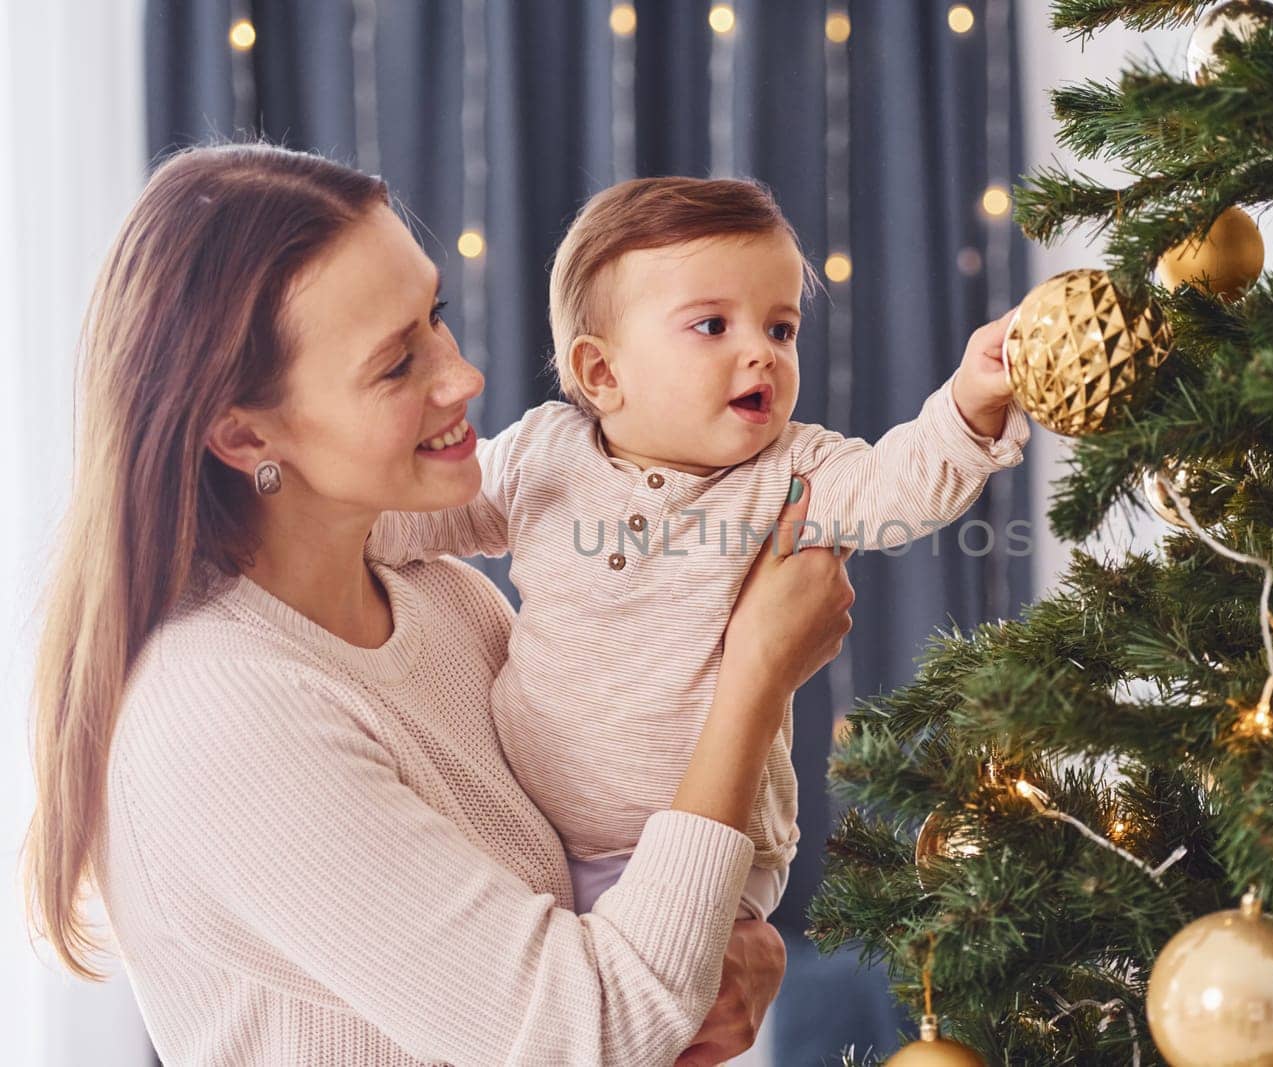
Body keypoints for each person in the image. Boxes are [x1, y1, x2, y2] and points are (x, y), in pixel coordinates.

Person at [21, 144, 855, 1066]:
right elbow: (595, 1029)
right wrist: (754, 676)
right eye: (394, 365)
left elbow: (619, 943)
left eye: (436, 317)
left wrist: (730, 954)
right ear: (244, 434)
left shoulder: (438, 597)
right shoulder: (221, 710)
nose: (461, 377)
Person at [369, 176, 1029, 920]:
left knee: (663, 1015)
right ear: (602, 372)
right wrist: (318, 509)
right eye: (713, 326)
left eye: (781, 329)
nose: (763, 354)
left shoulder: (791, 471)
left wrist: (970, 407)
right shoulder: (539, 457)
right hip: (539, 839)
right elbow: (409, 516)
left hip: (717, 850)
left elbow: (897, 487)